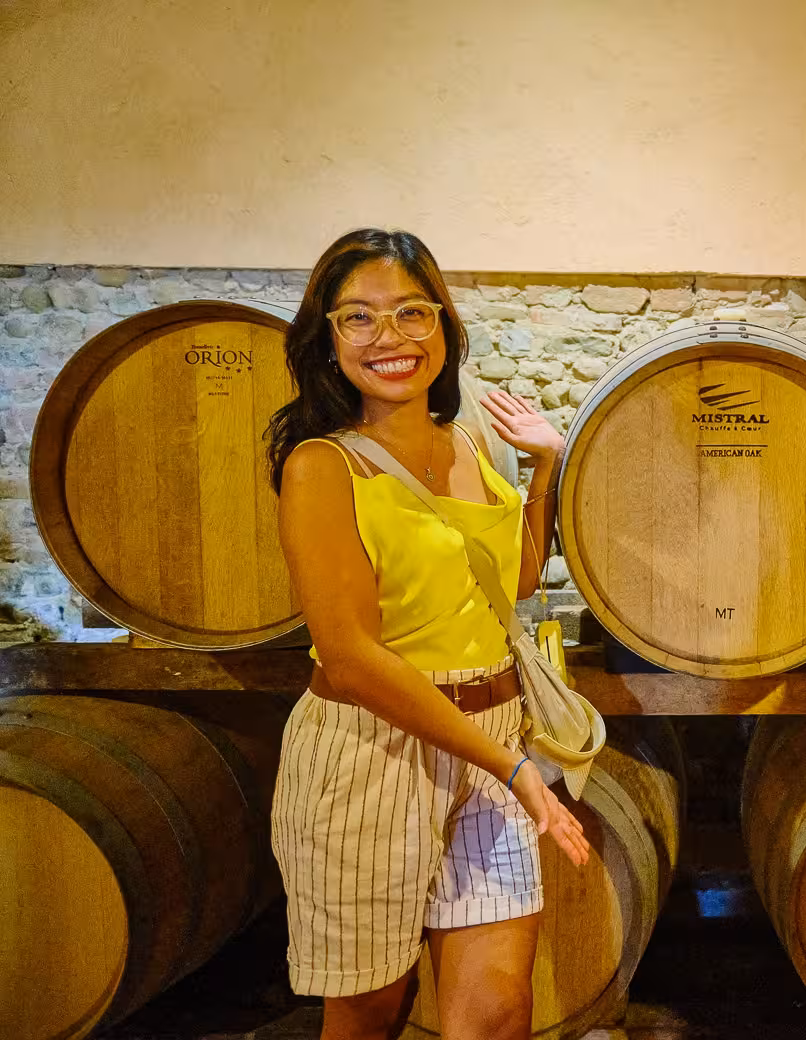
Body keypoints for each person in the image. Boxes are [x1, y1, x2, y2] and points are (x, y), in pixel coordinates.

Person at [265, 228, 590, 1040]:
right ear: (327, 339)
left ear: (443, 324)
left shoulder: (471, 440)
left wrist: (546, 470)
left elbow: (507, 587)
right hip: (372, 751)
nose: (391, 339)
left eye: (412, 312)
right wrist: (512, 768)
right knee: (371, 1011)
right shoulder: (322, 466)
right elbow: (350, 658)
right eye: (359, 319)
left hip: (491, 732)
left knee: (497, 1010)